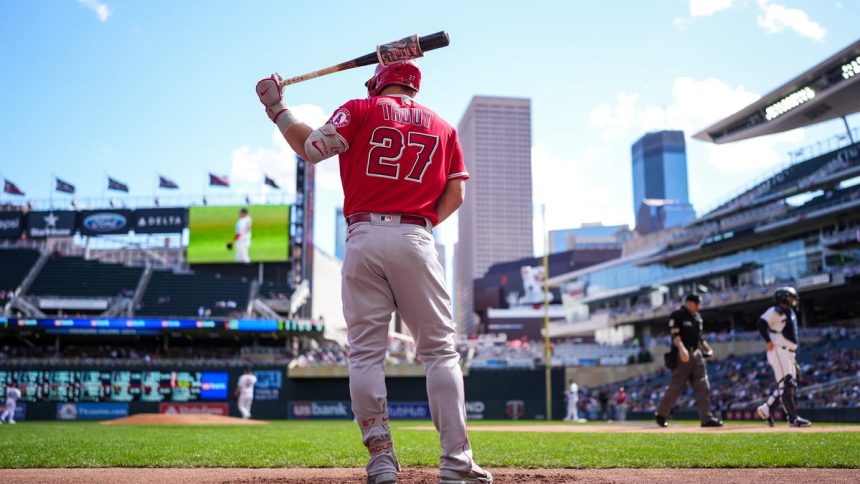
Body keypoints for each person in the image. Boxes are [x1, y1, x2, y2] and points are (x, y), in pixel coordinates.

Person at [255, 60, 491, 484]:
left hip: (362, 234)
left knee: (365, 355)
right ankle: (456, 464)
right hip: (417, 235)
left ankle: (382, 462)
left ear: (378, 83)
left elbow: (311, 149)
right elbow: (456, 191)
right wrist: (422, 226)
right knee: (439, 352)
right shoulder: (443, 127)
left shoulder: (361, 109)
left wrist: (277, 109)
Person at [655, 294, 723, 428]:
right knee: (676, 387)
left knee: (704, 386)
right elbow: (675, 334)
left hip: (697, 354)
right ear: (689, 303)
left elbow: (700, 337)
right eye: (696, 303)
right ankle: (661, 414)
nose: (698, 306)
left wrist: (707, 348)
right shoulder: (678, 315)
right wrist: (681, 349)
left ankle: (706, 418)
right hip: (682, 354)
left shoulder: (697, 317)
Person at [755, 287, 812, 428]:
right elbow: (761, 323)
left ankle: (766, 409)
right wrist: (768, 341)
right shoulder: (776, 310)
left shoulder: (789, 312)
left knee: (788, 385)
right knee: (786, 384)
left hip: (789, 353)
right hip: (778, 350)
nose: (794, 300)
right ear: (784, 297)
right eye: (791, 297)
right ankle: (793, 419)